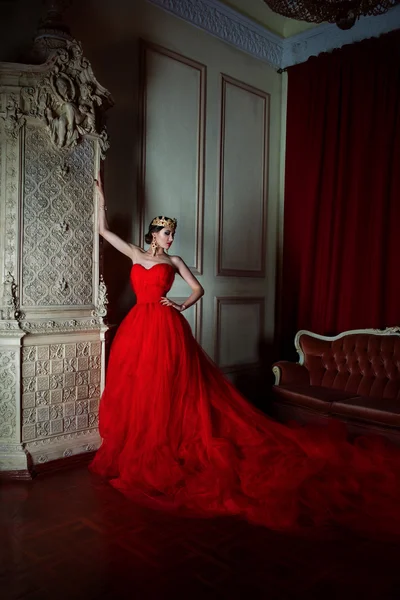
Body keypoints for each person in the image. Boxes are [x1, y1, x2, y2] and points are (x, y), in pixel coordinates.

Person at [90, 177, 400, 538]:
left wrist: (178, 305)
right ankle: (141, 448)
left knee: (174, 389)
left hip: (165, 327)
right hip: (137, 327)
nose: (171, 239)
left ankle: (170, 449)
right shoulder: (134, 253)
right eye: (166, 234)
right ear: (153, 234)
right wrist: (101, 196)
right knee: (141, 388)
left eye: (172, 234)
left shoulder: (174, 261)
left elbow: (198, 289)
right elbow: (102, 229)